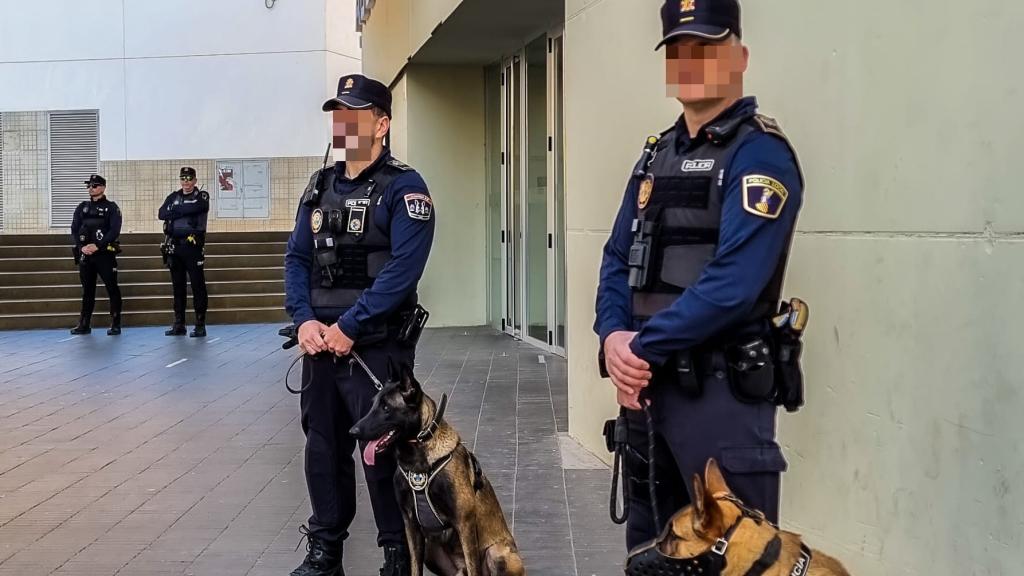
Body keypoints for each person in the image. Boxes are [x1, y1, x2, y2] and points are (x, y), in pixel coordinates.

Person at [594, 0, 805, 552]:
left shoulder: (760, 154)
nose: (692, 62)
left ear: (740, 55)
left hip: (716, 399)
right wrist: (612, 337)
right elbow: (618, 257)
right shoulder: (654, 157)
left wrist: (639, 347)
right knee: (649, 553)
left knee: (733, 558)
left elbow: (733, 284)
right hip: (646, 394)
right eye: (680, 50)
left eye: (707, 48)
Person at [284, 73, 435, 576]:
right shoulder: (318, 187)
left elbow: (402, 272)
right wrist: (304, 321)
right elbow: (296, 260)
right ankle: (325, 549)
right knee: (322, 449)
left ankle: (398, 552)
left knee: (381, 453)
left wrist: (349, 325)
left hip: (374, 349)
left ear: (382, 123)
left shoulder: (404, 188)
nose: (341, 122)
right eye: (337, 113)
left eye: (353, 113)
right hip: (321, 349)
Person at [158, 167, 210, 337]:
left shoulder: (201, 196)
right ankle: (179, 324)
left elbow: (198, 208)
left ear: (195, 180)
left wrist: (176, 211)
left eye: (189, 178)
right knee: (178, 287)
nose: (186, 182)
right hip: (175, 247)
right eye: (183, 178)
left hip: (192, 247)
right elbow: (161, 213)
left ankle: (200, 324)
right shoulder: (174, 197)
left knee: (197, 286)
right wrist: (179, 210)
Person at [70, 174, 123, 336]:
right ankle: (84, 323)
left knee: (111, 288)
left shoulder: (111, 208)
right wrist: (81, 247)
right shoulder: (82, 207)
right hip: (86, 254)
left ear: (102, 187)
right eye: (89, 186)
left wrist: (98, 246)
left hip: (104, 254)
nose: (90, 189)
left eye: (94, 186)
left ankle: (115, 322)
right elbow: (74, 228)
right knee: (87, 290)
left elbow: (114, 230)